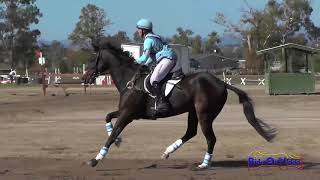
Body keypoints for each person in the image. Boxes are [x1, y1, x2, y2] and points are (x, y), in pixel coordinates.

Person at [135, 18, 178, 115]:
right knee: (155, 77)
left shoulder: (148, 40)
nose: (137, 31)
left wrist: (133, 62)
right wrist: (145, 65)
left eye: (138, 29)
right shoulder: (153, 37)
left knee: (153, 80)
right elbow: (150, 58)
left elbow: (144, 58)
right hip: (168, 58)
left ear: (143, 30)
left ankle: (163, 104)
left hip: (167, 59)